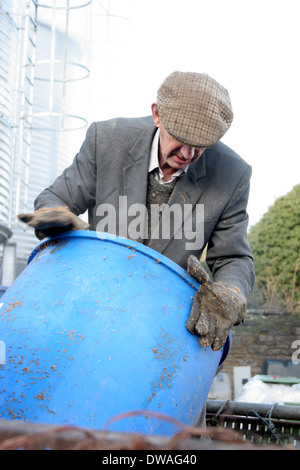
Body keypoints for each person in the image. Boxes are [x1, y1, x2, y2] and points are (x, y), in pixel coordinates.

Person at [19, 71, 255, 353]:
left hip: (167, 320)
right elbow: (55, 197)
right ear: (157, 115)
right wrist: (55, 216)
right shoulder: (106, 140)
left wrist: (230, 292)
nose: (188, 154)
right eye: (180, 138)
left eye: (201, 145)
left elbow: (234, 257)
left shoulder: (232, 174)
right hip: (91, 303)